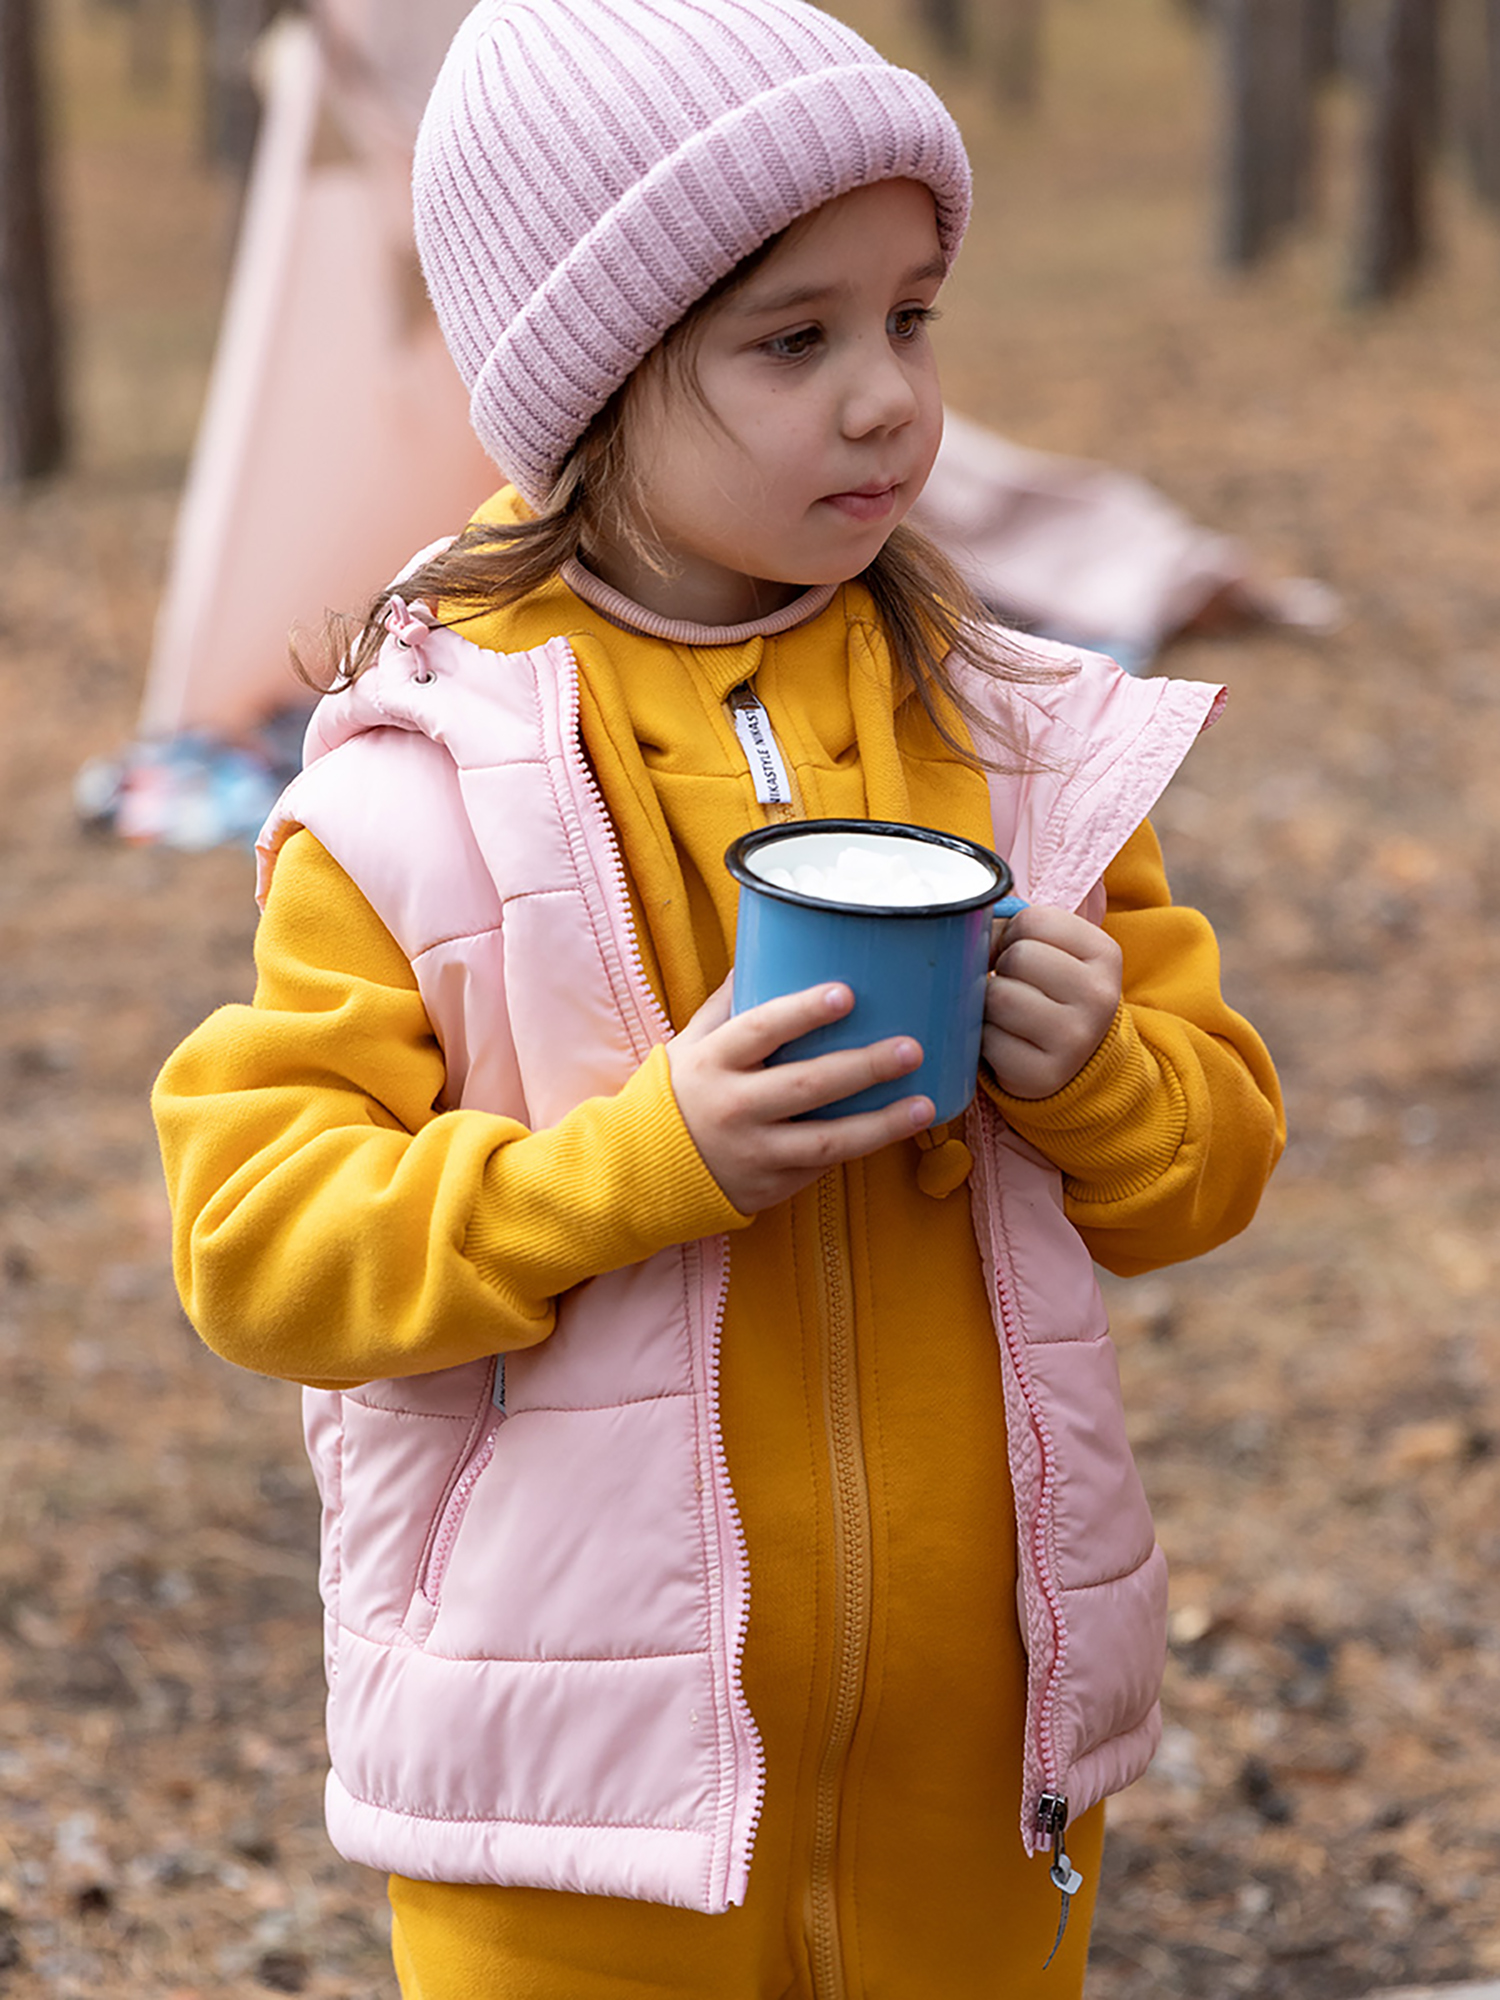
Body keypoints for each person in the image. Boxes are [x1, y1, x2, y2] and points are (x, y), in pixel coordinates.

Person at [152, 1, 1284, 1993]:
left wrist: (1104, 1072)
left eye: (910, 319)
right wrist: (629, 1170)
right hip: (576, 1821)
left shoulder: (1013, 747)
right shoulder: (419, 797)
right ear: (595, 384)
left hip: (976, 1774)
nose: (885, 403)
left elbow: (1205, 1168)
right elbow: (257, 1248)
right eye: (795, 338)